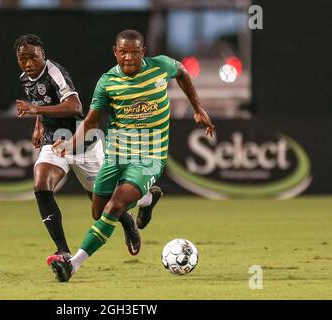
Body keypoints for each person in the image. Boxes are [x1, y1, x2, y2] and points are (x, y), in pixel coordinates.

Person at [47, 29, 215, 282]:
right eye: (123, 52)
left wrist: (198, 109)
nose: (128, 57)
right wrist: (71, 145)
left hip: (149, 155)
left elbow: (181, 71)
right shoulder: (107, 82)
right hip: (116, 154)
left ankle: (73, 265)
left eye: (134, 52)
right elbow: (92, 121)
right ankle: (147, 199)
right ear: (115, 52)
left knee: (114, 207)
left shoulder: (160, 67)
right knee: (99, 211)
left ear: (143, 52)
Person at [14, 34, 161, 260]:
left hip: (83, 142)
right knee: (41, 185)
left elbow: (75, 106)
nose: (28, 64)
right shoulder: (26, 77)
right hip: (54, 141)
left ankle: (139, 208)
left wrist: (36, 110)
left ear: (43, 54)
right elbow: (43, 103)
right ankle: (62, 250)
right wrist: (39, 125)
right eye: (22, 59)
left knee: (103, 207)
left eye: (33, 58)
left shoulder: (55, 73)